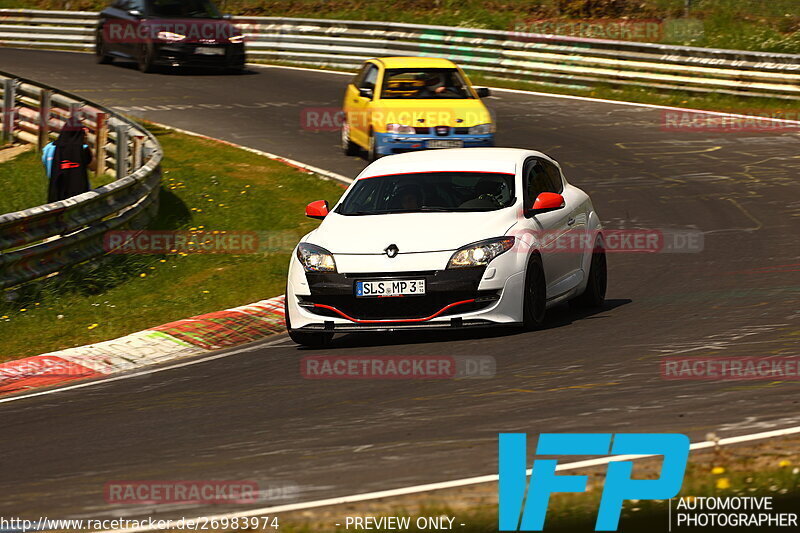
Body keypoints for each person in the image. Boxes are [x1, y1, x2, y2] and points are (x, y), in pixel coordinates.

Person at [42, 115, 93, 203]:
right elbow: (93, 166)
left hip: (57, 191)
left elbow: (46, 166)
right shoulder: (83, 149)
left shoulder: (49, 148)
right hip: (80, 195)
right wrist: (86, 141)